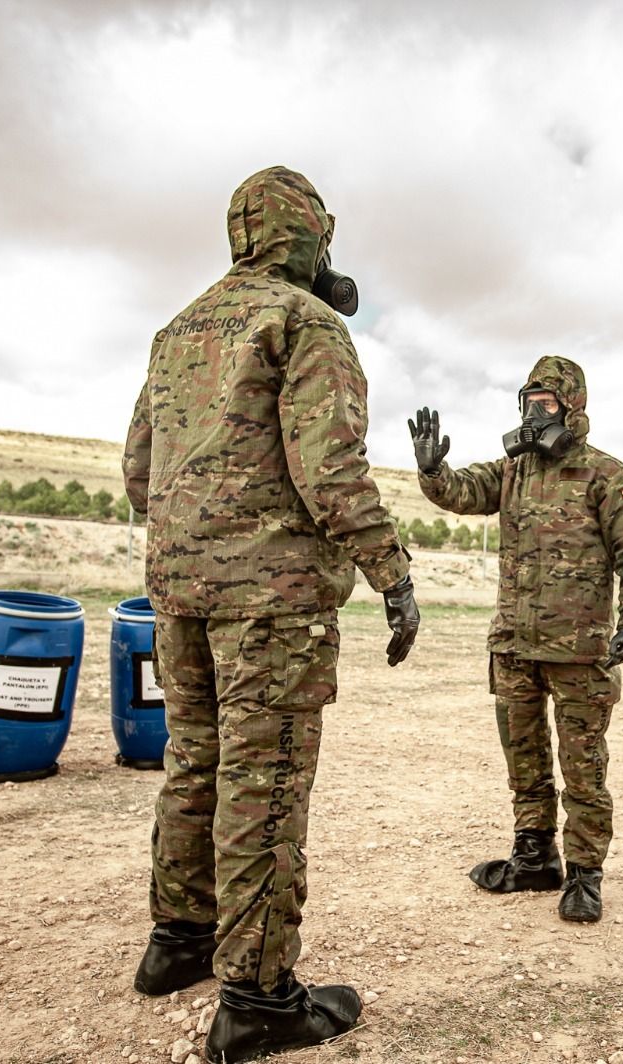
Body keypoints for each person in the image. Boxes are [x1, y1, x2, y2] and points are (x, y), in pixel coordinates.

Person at [122, 165, 419, 1061]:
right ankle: (256, 998)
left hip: (179, 592)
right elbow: (330, 469)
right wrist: (391, 572)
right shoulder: (305, 322)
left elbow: (139, 474)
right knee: (267, 784)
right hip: (272, 604)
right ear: (311, 237)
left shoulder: (179, 330)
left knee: (194, 766)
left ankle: (177, 944)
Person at [409, 355, 623, 923]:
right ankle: (533, 858)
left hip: (580, 654)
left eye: (543, 405)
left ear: (572, 409)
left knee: (583, 768)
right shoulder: (513, 470)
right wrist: (432, 472)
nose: (531, 414)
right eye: (525, 403)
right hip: (515, 647)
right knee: (524, 762)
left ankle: (585, 874)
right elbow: (463, 492)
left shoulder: (606, 475)